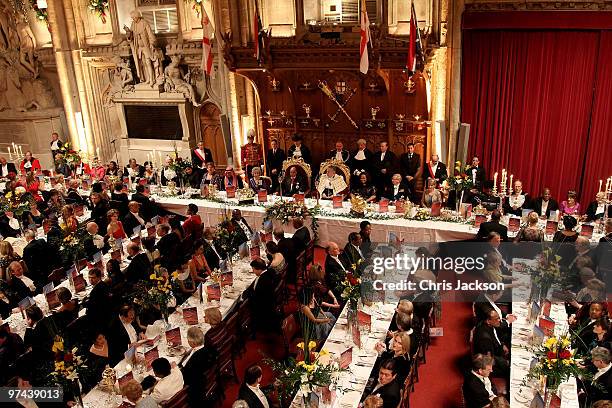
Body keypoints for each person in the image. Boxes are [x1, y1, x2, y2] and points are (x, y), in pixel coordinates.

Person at [180, 327, 217, 406]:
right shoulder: (210, 348)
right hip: (205, 378)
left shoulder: (194, 361)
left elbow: (185, 377)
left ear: (193, 343)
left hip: (195, 388)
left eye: (188, 339)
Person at [472, 308, 509, 377]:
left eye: (499, 318)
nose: (499, 320)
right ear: (488, 321)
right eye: (496, 319)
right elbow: (489, 359)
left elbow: (496, 336)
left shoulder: (490, 325)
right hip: (491, 365)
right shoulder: (485, 340)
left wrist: (502, 344)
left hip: (498, 352)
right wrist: (505, 363)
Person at [244, 257, 277, 332]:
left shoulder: (262, 280)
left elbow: (255, 297)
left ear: (259, 269)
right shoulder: (270, 271)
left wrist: (245, 295)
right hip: (270, 301)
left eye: (253, 269)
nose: (252, 271)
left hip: (262, 307)